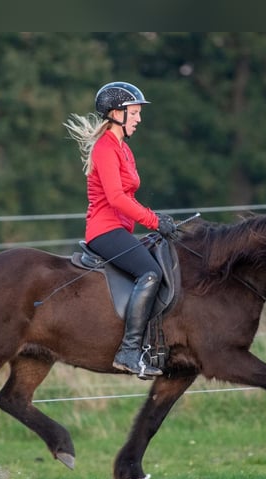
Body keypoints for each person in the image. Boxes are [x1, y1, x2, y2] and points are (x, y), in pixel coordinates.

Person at [64, 81, 178, 379]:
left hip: (121, 230)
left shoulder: (123, 149)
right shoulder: (105, 148)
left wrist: (156, 222)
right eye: (135, 112)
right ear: (116, 113)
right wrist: (153, 221)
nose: (139, 118)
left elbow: (128, 199)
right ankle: (128, 351)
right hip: (105, 231)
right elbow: (115, 198)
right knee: (150, 273)